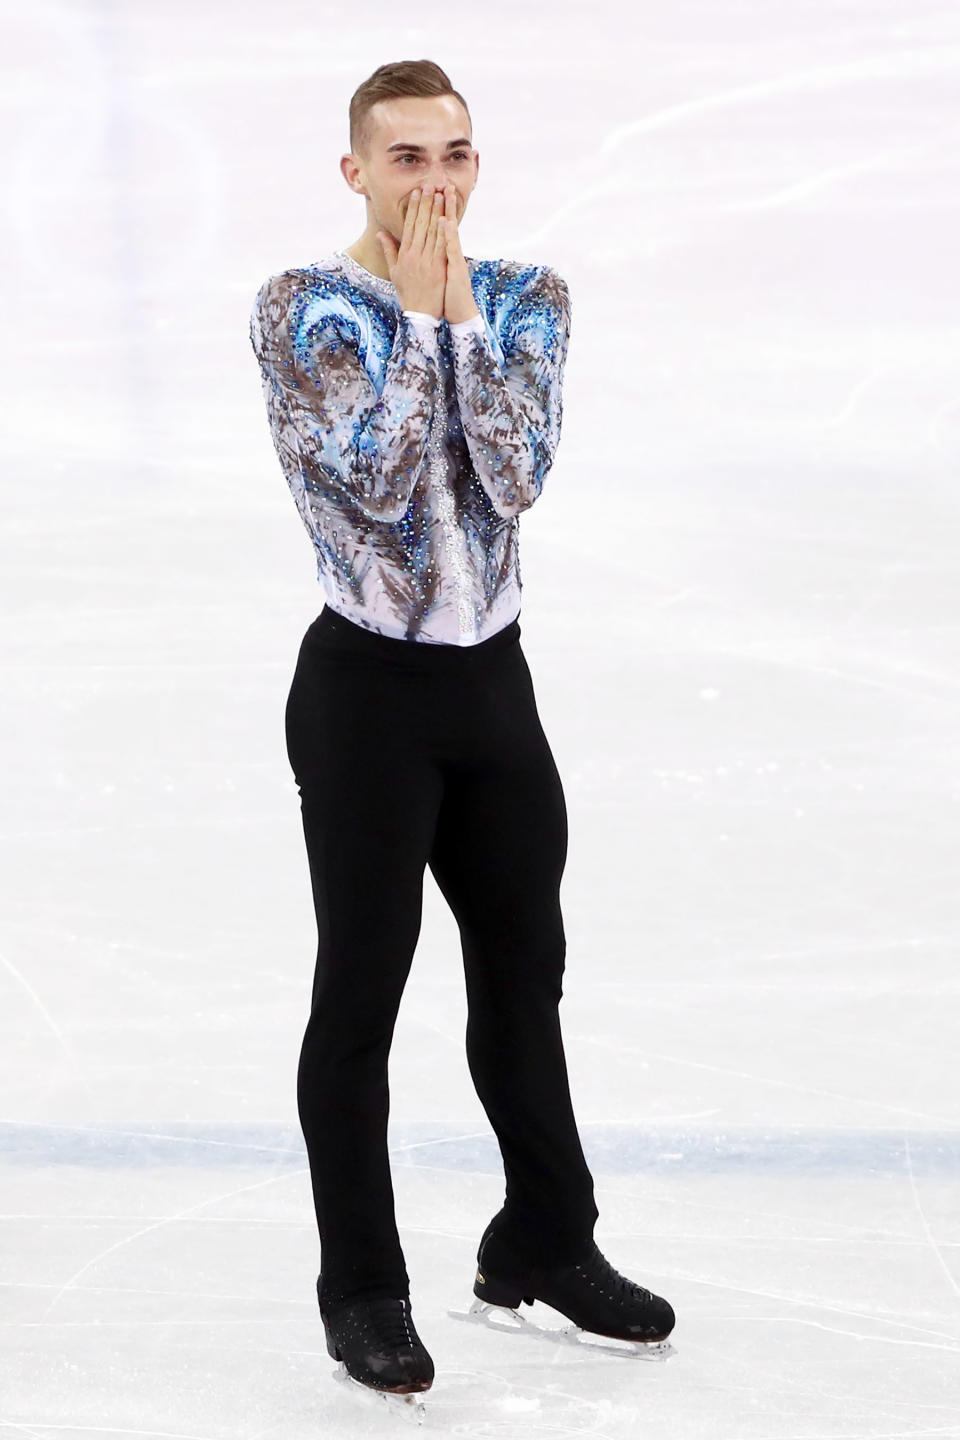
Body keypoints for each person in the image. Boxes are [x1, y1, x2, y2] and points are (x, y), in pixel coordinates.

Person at [249, 59, 676, 1406]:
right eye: (409, 159)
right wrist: (426, 328)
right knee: (361, 991)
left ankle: (545, 1238)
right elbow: (372, 481)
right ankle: (363, 1289)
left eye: (456, 156)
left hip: (493, 688)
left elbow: (519, 475)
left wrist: (454, 323)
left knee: (523, 973)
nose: (436, 184)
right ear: (356, 171)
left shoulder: (526, 300)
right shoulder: (302, 308)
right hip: (365, 695)